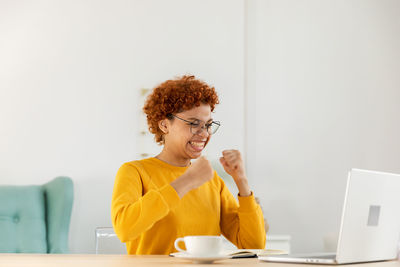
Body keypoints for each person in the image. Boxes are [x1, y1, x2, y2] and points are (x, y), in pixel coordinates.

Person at [111, 75, 267, 255]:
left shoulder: (213, 181)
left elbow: (253, 246)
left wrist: (241, 180)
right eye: (194, 123)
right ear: (164, 125)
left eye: (208, 125)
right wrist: (187, 181)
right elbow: (124, 229)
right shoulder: (134, 172)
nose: (204, 133)